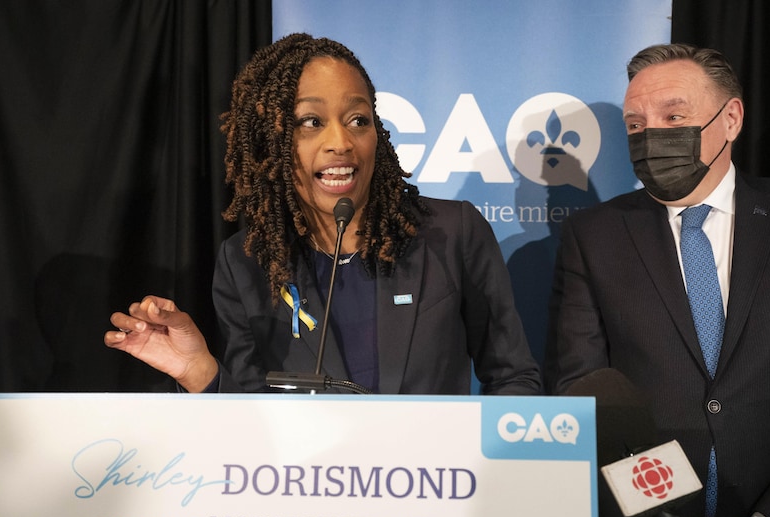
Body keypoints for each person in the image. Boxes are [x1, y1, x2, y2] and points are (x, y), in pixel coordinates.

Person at [545, 43, 770, 517]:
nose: (650, 136)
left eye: (674, 115)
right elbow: (584, 394)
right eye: (635, 125)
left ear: (730, 120)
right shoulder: (594, 237)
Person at [105, 33, 541, 396]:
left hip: (437, 490)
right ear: (271, 141)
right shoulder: (246, 264)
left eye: (358, 120)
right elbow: (251, 427)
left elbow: (513, 378)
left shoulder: (452, 233)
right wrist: (199, 372)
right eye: (310, 122)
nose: (341, 142)